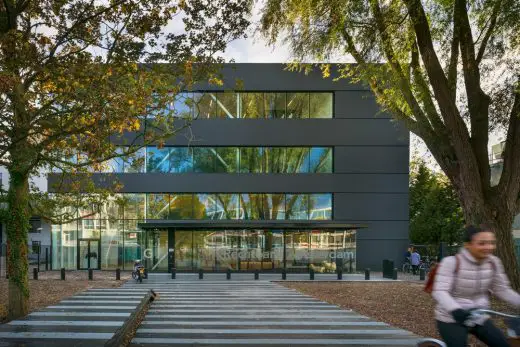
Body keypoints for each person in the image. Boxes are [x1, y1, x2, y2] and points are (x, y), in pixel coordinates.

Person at [432, 225, 520, 347]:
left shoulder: (493, 262)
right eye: (482, 243)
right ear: (468, 244)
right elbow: (440, 291)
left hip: (478, 316)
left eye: (491, 243)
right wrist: (455, 309)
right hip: (451, 318)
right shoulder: (451, 262)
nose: (488, 247)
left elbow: (502, 289)